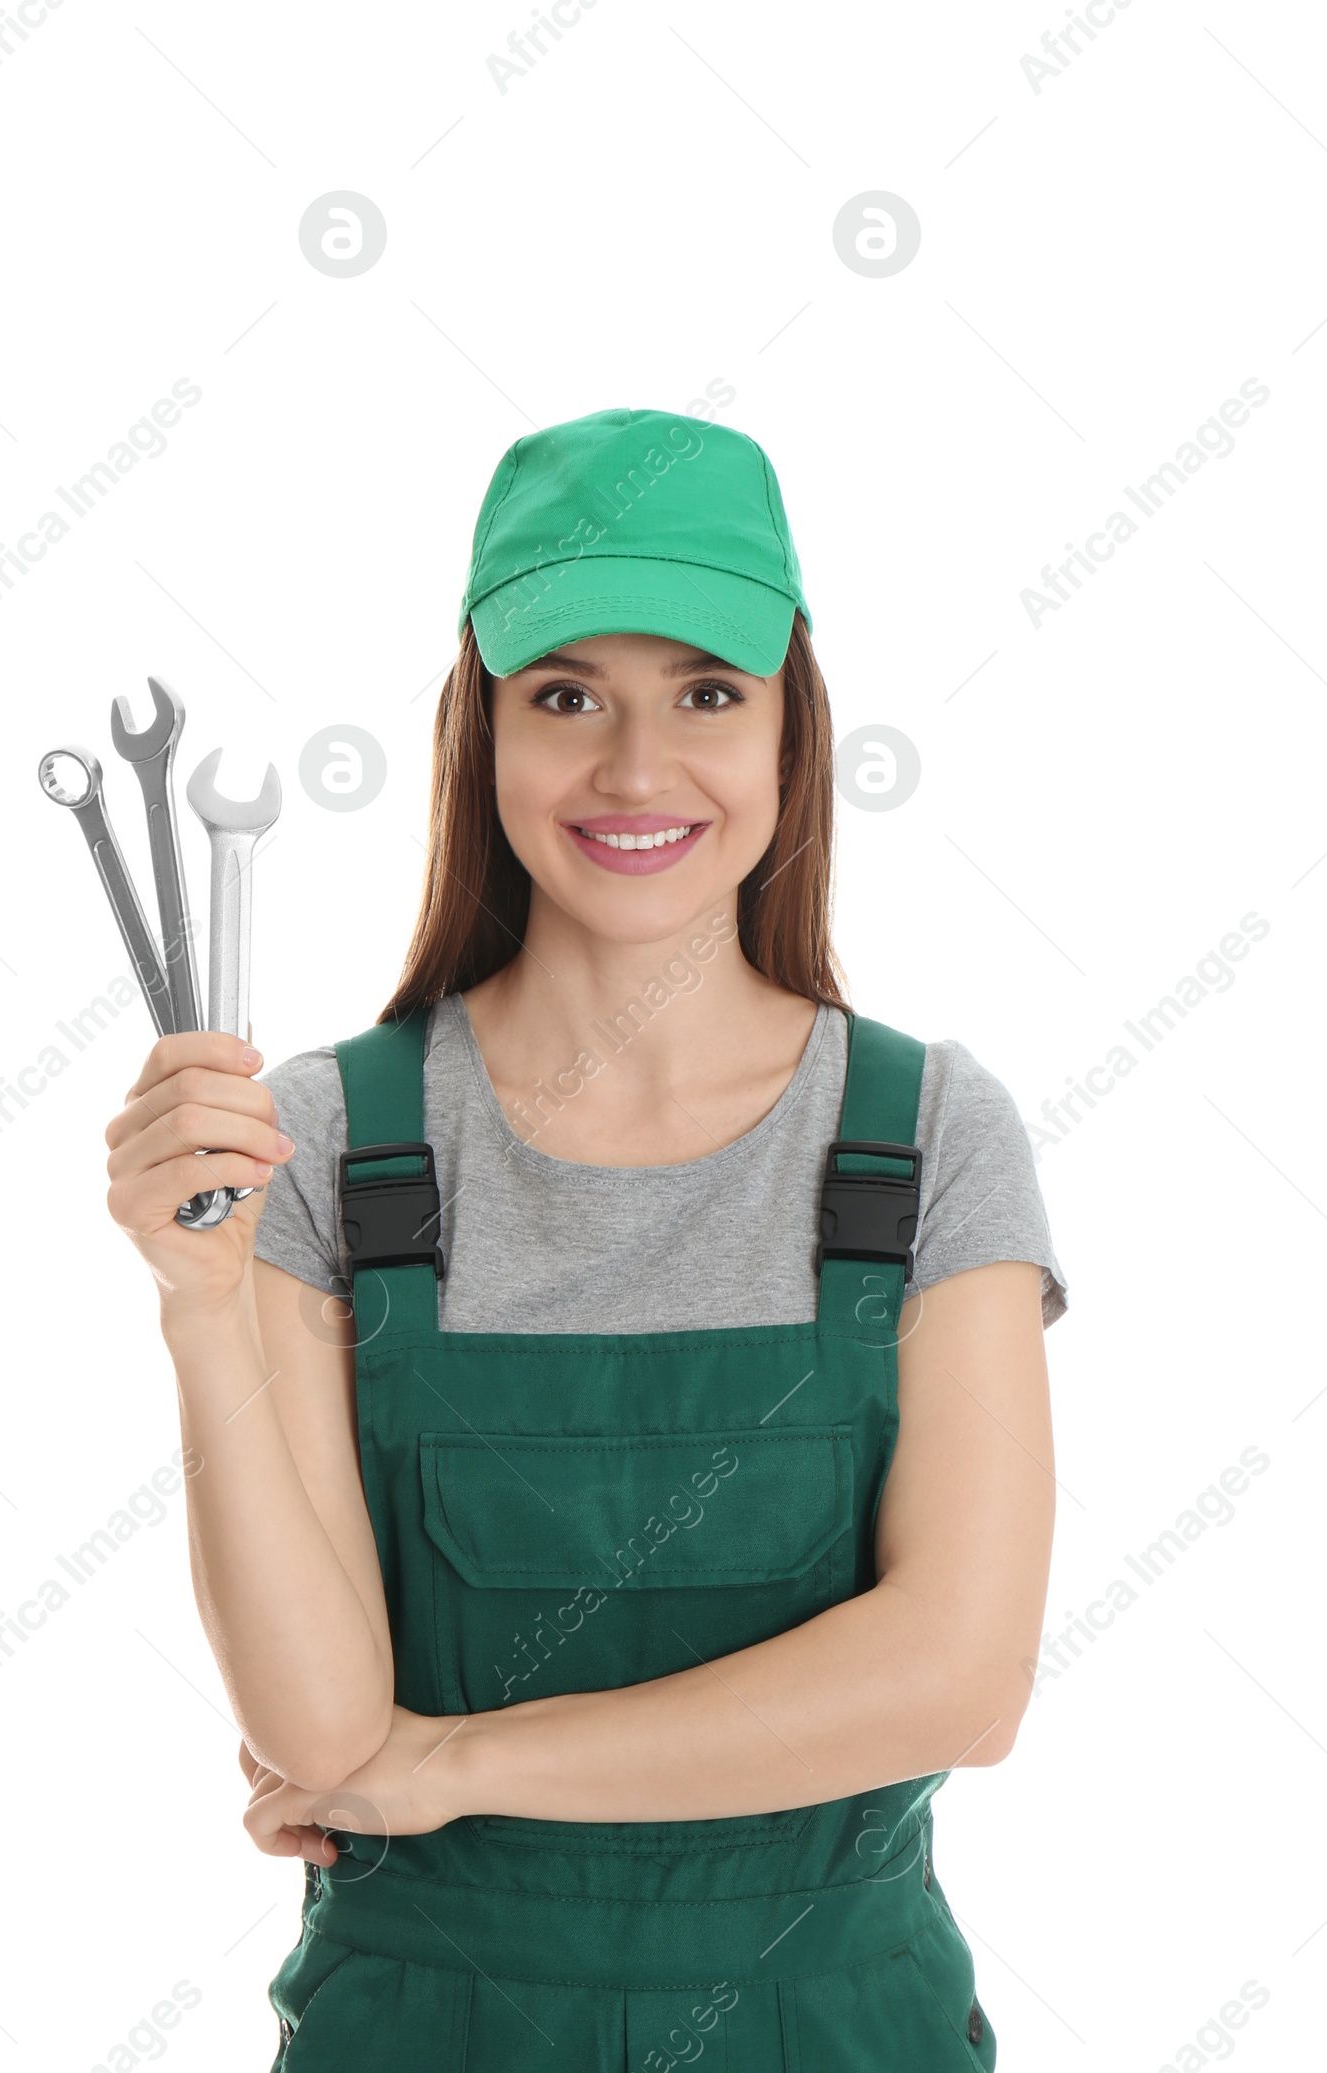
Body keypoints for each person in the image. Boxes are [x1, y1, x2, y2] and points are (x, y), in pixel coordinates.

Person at [105, 405, 1066, 2070]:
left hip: (838, 2026)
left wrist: (461, 1765)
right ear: (482, 735)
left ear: (791, 732)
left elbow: (960, 1682)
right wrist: (202, 1304)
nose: (635, 770)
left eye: (707, 691)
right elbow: (320, 1729)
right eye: (566, 698)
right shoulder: (327, 1142)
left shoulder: (921, 1140)